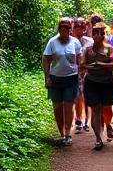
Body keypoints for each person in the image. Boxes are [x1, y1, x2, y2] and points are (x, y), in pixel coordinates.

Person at [42, 17, 83, 146]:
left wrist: (80, 75)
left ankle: (67, 134)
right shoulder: (52, 42)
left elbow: (80, 60)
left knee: (68, 105)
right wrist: (47, 77)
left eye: (67, 27)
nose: (65, 29)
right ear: (58, 28)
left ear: (71, 29)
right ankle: (61, 133)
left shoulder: (75, 42)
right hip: (55, 78)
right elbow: (46, 59)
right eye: (62, 26)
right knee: (57, 106)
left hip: (71, 77)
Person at [81, 21, 113, 150]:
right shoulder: (88, 50)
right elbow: (82, 64)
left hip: (107, 82)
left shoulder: (108, 48)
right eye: (95, 33)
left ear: (104, 35)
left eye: (100, 33)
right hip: (92, 82)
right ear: (92, 35)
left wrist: (102, 64)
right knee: (95, 109)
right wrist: (92, 66)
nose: (97, 35)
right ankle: (98, 138)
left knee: (107, 108)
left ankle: (108, 124)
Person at [72, 18, 94, 133]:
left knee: (86, 97)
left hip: (87, 72)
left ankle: (86, 121)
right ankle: (79, 119)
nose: (79, 29)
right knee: (77, 97)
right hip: (74, 72)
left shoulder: (89, 41)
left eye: (81, 27)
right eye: (76, 27)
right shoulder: (70, 41)